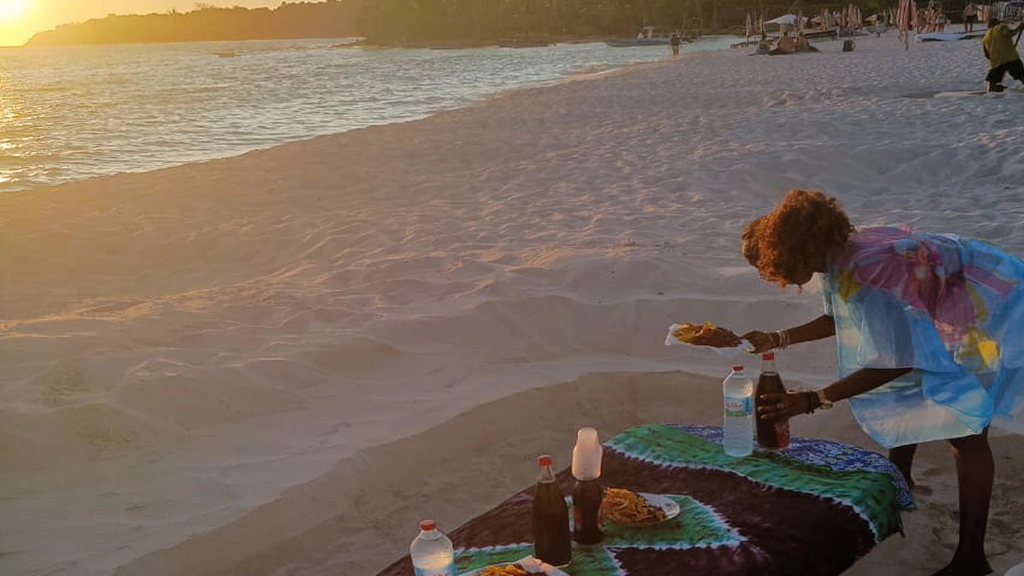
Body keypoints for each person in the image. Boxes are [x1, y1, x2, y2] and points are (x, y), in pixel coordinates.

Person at [737, 189, 1024, 576]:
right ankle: (900, 480)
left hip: (990, 304)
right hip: (950, 295)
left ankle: (972, 558)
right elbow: (838, 318)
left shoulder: (868, 269)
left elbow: (895, 362)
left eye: (778, 266)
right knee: (912, 394)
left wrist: (815, 399)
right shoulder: (836, 254)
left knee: (967, 431)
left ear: (801, 250)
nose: (779, 277)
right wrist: (778, 338)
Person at [982, 17, 1024, 93]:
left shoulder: (985, 37)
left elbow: (986, 54)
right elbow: (1011, 33)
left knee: (992, 82)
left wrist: (995, 59)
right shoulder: (1000, 27)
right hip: (1011, 58)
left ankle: (991, 92)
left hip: (996, 62)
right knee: (1021, 75)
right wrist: (1020, 27)